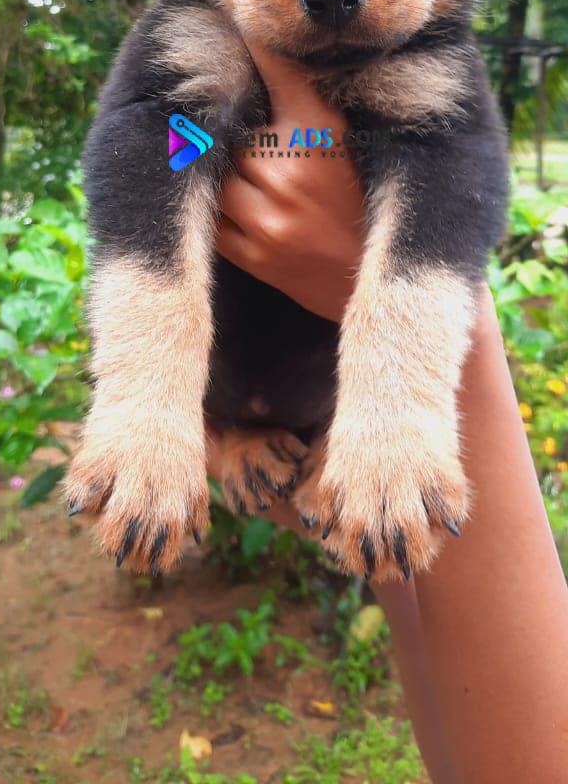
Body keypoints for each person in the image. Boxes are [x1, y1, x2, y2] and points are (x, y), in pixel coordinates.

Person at [206, 42, 568, 784]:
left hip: (343, 387)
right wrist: (197, 152)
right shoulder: (200, 47)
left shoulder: (427, 65)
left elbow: (451, 173)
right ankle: (248, 436)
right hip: (246, 380)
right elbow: (165, 156)